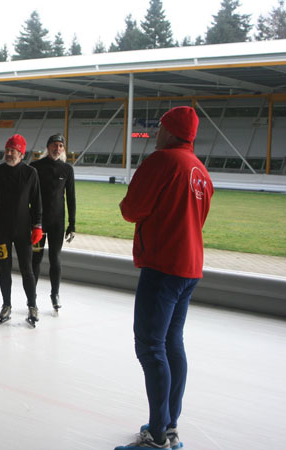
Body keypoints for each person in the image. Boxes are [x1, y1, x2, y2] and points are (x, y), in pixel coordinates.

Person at [115, 106, 213, 450]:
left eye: (159, 127)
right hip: (189, 266)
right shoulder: (200, 170)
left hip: (162, 265)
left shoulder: (162, 161)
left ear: (171, 131)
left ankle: (157, 435)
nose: (156, 133)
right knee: (172, 342)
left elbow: (131, 209)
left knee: (150, 345)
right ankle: (168, 424)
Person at [0, 134, 42, 326]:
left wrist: (37, 226)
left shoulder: (31, 173)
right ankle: (6, 304)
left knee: (27, 269)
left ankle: (32, 305)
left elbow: (36, 202)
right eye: (7, 150)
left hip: (23, 231)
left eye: (13, 150)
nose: (8, 153)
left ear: (21, 153)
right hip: (2, 230)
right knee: (4, 268)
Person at [30, 133, 76, 312]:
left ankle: (55, 293)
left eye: (61, 146)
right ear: (48, 147)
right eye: (54, 145)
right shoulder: (35, 167)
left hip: (57, 222)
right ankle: (31, 295)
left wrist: (72, 224)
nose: (57, 149)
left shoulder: (67, 169)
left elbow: (71, 198)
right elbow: (28, 195)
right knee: (36, 258)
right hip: (38, 222)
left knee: (55, 258)